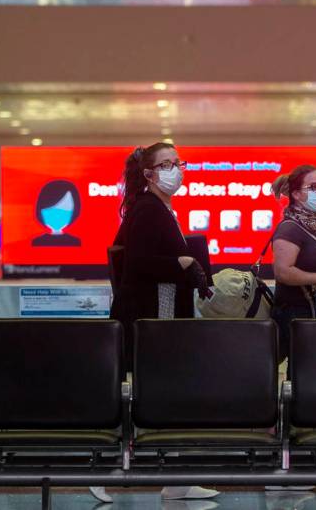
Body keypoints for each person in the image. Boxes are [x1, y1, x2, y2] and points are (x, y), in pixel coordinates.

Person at [90, 142, 217, 505]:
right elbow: (139, 264)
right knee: (150, 399)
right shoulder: (148, 209)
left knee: (169, 399)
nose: (175, 169)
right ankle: (102, 472)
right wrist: (183, 263)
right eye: (166, 164)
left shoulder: (157, 209)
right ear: (148, 174)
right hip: (151, 321)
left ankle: (176, 479)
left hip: (157, 319)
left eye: (178, 162)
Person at [271, 164, 316, 362]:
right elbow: (282, 272)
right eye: (313, 187)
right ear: (296, 194)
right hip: (296, 314)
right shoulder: (290, 229)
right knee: (302, 373)